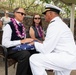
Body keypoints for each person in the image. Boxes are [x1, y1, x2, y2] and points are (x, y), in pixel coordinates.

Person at [29, 4, 76, 75]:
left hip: (65, 58)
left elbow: (46, 49)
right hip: (69, 57)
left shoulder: (54, 25)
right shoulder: (60, 24)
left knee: (34, 59)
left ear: (50, 13)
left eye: (45, 14)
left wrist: (35, 44)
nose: (44, 16)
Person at [2, 7, 36, 75]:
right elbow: (5, 43)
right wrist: (21, 41)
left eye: (24, 14)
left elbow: (24, 39)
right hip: (10, 49)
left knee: (34, 50)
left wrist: (29, 42)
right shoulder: (9, 25)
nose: (23, 16)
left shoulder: (22, 26)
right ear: (15, 13)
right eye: (21, 13)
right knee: (25, 54)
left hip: (20, 48)